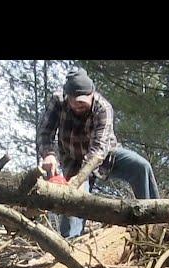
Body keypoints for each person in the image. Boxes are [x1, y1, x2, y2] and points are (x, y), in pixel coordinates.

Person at [37, 67, 160, 238]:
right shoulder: (57, 101)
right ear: (67, 97)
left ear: (92, 93)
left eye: (84, 100)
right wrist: (49, 154)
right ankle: (70, 243)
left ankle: (156, 218)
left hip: (104, 155)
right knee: (74, 200)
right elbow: (44, 133)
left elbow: (98, 150)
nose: (80, 104)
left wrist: (80, 178)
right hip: (72, 159)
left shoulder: (103, 108)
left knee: (141, 167)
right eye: (75, 101)